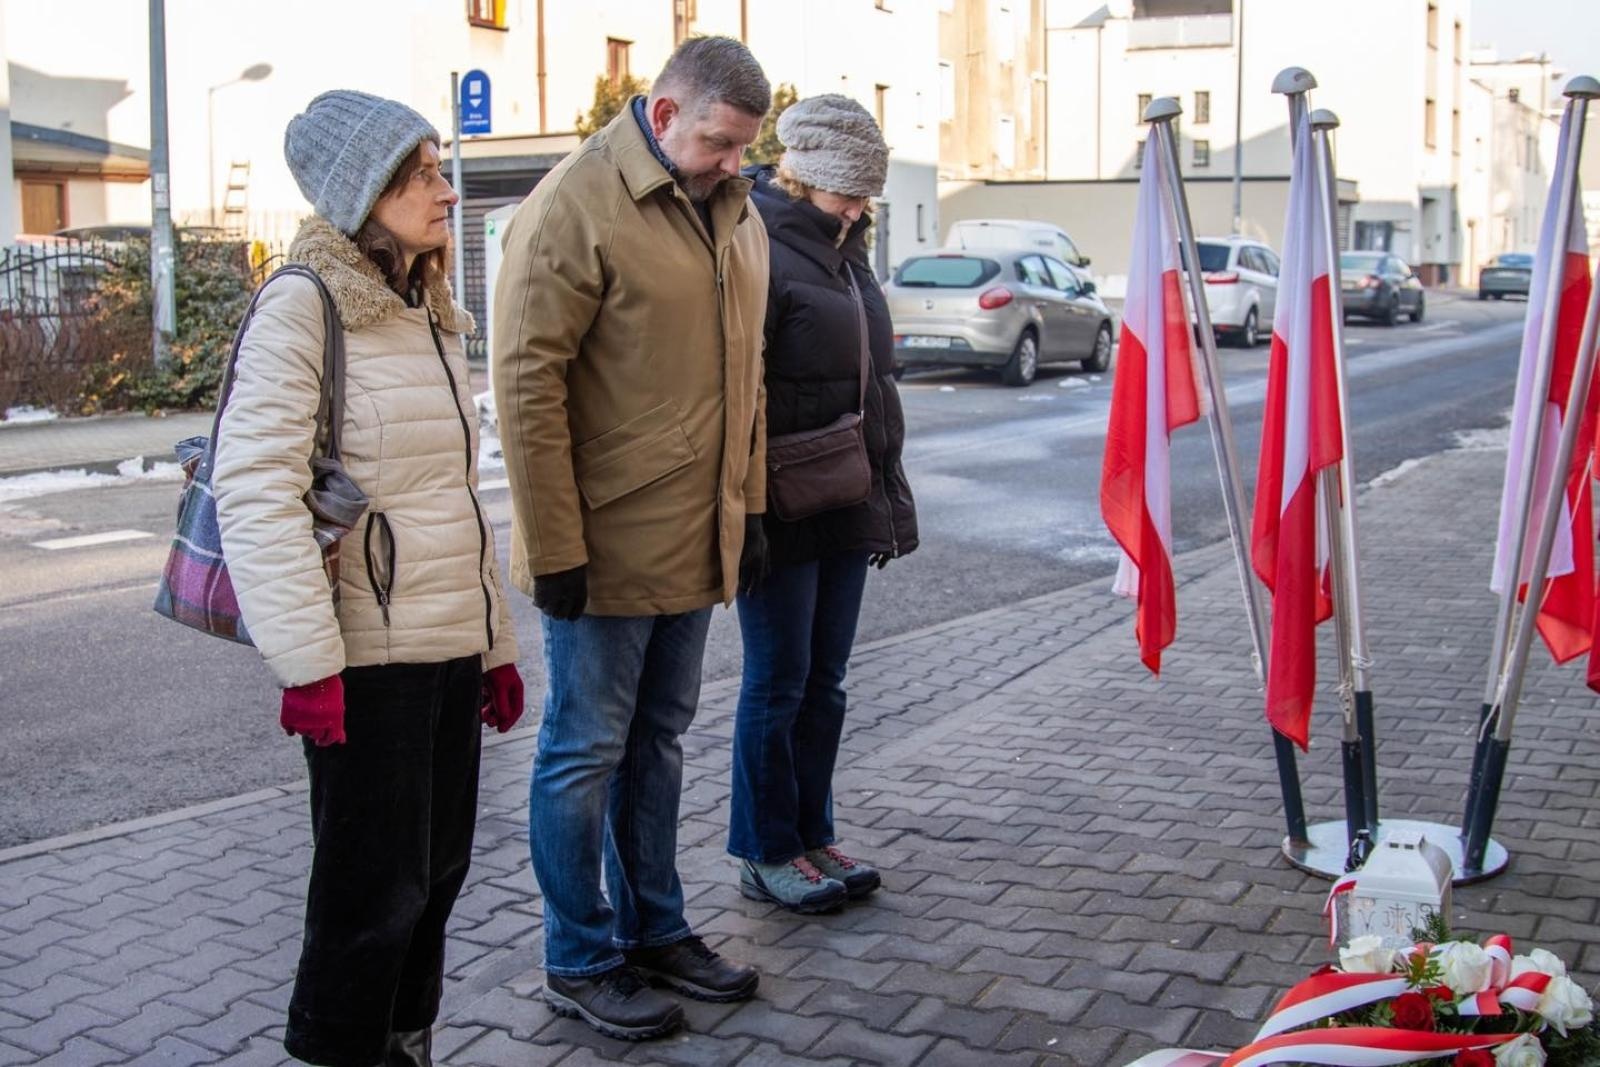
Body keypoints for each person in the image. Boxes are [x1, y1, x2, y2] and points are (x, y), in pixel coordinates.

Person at [212, 90, 523, 1067]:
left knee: (434, 874)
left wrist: (493, 644)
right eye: (423, 172)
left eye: (439, 166)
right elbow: (255, 487)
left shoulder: (424, 305)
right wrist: (307, 665)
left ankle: (404, 1043)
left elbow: (448, 495)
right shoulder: (304, 303)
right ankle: (342, 1050)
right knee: (367, 891)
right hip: (362, 657)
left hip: (439, 639)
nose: (446, 189)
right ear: (365, 190)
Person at [492, 37, 771, 1041]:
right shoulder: (574, 205)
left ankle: (656, 927)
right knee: (583, 749)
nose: (732, 162)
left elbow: (749, 375)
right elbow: (526, 386)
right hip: (602, 546)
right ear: (661, 115)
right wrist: (555, 546)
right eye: (716, 141)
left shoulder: (733, 214)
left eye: (744, 147)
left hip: (696, 539)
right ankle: (580, 953)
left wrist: (753, 503)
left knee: (656, 742)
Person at [729, 95, 918, 913]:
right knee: (778, 682)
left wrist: (886, 495)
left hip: (846, 492)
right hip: (782, 504)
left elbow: (873, 382)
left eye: (867, 194)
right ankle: (765, 848)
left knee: (826, 682)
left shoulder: (849, 250)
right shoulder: (758, 243)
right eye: (850, 191)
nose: (860, 205)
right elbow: (738, 390)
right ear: (805, 177)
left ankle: (812, 832)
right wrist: (745, 514)